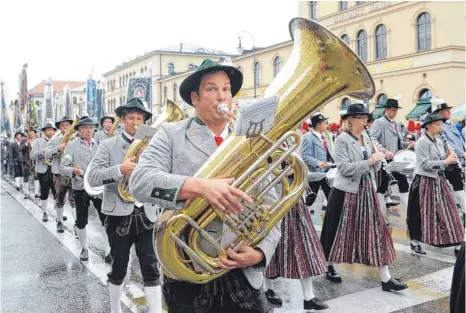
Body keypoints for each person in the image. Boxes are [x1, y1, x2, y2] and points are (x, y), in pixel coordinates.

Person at [129, 59, 280, 313]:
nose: (221, 95)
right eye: (211, 89)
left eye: (226, 89)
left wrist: (261, 252)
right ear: (194, 98)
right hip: (188, 267)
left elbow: (273, 207)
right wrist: (199, 187)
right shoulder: (170, 133)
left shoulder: (251, 139)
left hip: (242, 273)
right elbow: (140, 183)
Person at [320, 103, 408, 291]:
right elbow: (343, 168)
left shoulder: (367, 137)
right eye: (361, 117)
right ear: (351, 120)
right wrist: (369, 161)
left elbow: (373, 166)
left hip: (368, 189)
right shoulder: (342, 140)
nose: (365, 121)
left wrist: (381, 159)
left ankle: (386, 278)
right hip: (346, 191)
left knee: (378, 230)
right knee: (336, 230)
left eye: (366, 117)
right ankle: (329, 265)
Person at [88, 98, 162, 313]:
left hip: (146, 213)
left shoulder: (153, 144)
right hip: (119, 214)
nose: (136, 122)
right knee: (119, 266)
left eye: (140, 118)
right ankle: (115, 309)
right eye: (131, 118)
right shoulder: (108, 145)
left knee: (151, 267)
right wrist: (119, 169)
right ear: (122, 120)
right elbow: (92, 178)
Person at [406, 113, 464, 255]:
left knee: (450, 211)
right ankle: (415, 241)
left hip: (439, 180)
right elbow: (425, 164)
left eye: (440, 124)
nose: (440, 127)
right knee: (418, 213)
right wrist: (445, 161)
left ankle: (457, 244)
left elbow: (442, 163)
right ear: (428, 126)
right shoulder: (421, 142)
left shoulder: (439, 141)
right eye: (437, 124)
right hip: (424, 181)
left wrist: (448, 159)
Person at [59, 116, 104, 261]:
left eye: (90, 128)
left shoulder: (101, 144)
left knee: (105, 218)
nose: (88, 131)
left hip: (98, 187)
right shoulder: (72, 145)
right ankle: (84, 248)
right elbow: (62, 168)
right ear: (79, 130)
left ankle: (109, 250)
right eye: (85, 128)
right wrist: (74, 172)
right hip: (80, 187)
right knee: (81, 219)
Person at [370, 97, 414, 220]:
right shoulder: (379, 122)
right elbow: (372, 139)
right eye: (393, 110)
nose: (395, 113)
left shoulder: (395, 123)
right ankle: (379, 216)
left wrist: (407, 145)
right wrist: (385, 151)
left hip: (396, 159)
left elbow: (398, 142)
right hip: (385, 161)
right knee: (382, 188)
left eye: (396, 110)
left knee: (404, 185)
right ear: (387, 109)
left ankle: (409, 215)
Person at [431, 97, 466, 215]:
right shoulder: (440, 127)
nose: (450, 112)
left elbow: (460, 141)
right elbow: (448, 144)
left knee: (460, 185)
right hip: (451, 160)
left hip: (460, 159)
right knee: (458, 185)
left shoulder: (450, 125)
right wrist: (462, 153)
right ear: (440, 113)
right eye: (447, 110)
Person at [45, 116, 75, 233]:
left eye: (68, 125)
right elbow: (46, 154)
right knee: (60, 198)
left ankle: (77, 225)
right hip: (59, 174)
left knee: (74, 200)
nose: (65, 128)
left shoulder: (76, 139)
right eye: (63, 126)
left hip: (73, 173)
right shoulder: (54, 140)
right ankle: (59, 221)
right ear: (60, 128)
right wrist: (57, 148)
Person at [301, 112, 335, 214]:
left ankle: (332, 220)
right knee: (310, 199)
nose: (327, 125)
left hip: (327, 172)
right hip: (315, 173)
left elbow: (329, 151)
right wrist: (317, 162)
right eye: (325, 123)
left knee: (332, 198)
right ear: (318, 125)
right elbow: (305, 156)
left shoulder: (325, 135)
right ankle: (304, 219)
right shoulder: (308, 137)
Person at [32, 122, 57, 222]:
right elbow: (32, 156)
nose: (51, 132)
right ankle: (45, 212)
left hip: (55, 169)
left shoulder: (57, 140)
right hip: (43, 169)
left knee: (58, 193)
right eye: (48, 130)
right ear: (44, 132)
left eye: (52, 130)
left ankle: (58, 213)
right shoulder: (38, 141)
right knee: (44, 192)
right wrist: (44, 151)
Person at [19, 128, 38, 199]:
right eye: (30, 133)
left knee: (36, 176)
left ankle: (36, 193)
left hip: (35, 161)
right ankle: (26, 192)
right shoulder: (24, 140)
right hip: (26, 161)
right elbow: (20, 149)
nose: (31, 134)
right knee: (26, 177)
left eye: (33, 133)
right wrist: (26, 144)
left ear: (35, 133)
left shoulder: (38, 140)